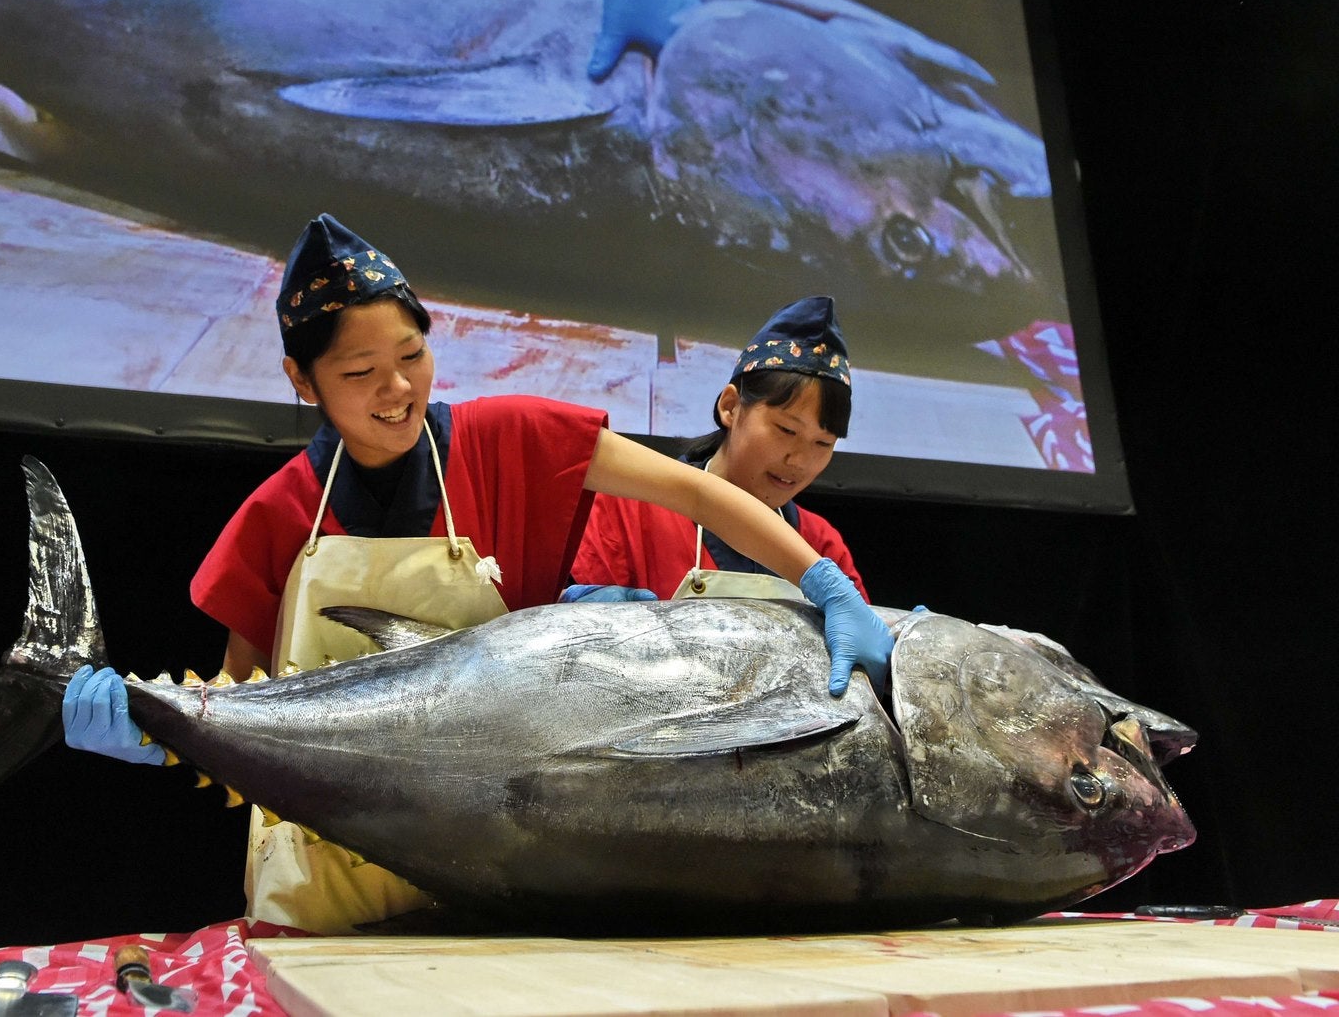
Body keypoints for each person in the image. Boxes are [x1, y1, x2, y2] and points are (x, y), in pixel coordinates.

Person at [62, 214, 893, 934]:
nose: (397, 389)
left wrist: (824, 581)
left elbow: (696, 491)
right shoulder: (276, 516)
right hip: (321, 885)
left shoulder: (512, 441)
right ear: (299, 378)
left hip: (505, 866)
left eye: (413, 355)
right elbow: (236, 699)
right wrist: (156, 735)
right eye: (359, 373)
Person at [568, 293, 869, 616]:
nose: (799, 461)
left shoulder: (821, 543)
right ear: (730, 407)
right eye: (786, 430)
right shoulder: (630, 508)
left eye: (823, 444)